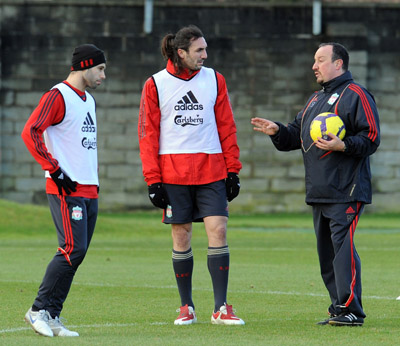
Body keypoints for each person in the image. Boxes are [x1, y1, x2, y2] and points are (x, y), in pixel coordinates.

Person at [251, 42, 380, 327]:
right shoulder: (314, 100)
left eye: (320, 60)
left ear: (339, 64)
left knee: (342, 250)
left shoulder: (356, 94)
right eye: (314, 60)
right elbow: (294, 136)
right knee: (327, 254)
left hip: (346, 189)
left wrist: (343, 145)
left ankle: (351, 310)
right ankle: (338, 308)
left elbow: (371, 138)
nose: (314, 66)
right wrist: (277, 130)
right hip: (319, 191)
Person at [138, 25, 244, 325]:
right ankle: (186, 306)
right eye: (199, 50)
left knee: (219, 230)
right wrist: (153, 180)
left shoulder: (215, 79)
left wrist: (233, 170)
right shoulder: (155, 84)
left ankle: (221, 307)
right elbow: (148, 134)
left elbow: (227, 125)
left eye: (205, 49)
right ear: (181, 52)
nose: (205, 55)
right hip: (173, 174)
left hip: (212, 171)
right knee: (181, 235)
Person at [21, 44, 106, 337]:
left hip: (89, 189)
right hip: (65, 188)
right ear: (85, 66)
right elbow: (31, 131)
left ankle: (53, 315)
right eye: (100, 69)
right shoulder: (58, 96)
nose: (103, 75)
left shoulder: (89, 101)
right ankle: (37, 310)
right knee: (71, 249)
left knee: (78, 253)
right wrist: (54, 168)